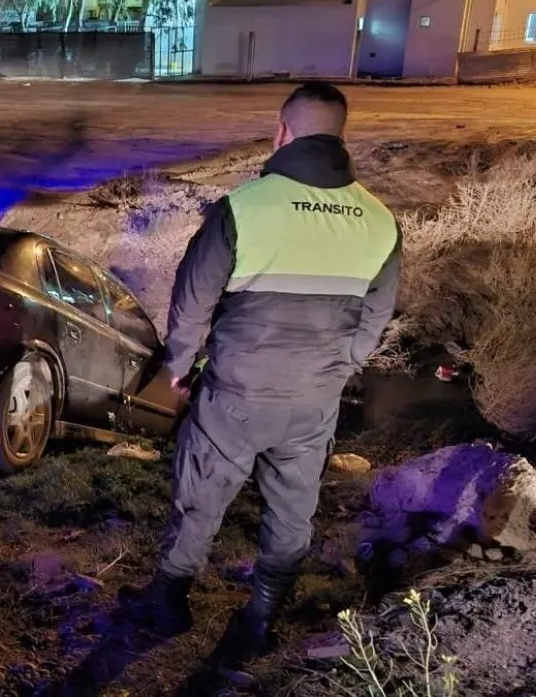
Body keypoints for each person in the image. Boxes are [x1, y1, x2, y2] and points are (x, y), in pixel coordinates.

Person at [119, 81, 401, 665]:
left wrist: (175, 368)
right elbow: (374, 321)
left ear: (282, 131)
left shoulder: (245, 207)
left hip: (237, 396)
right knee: (294, 510)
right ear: (339, 135)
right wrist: (335, 371)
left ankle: (169, 602)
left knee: (201, 498)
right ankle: (261, 617)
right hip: (313, 402)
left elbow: (193, 300)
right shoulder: (380, 222)